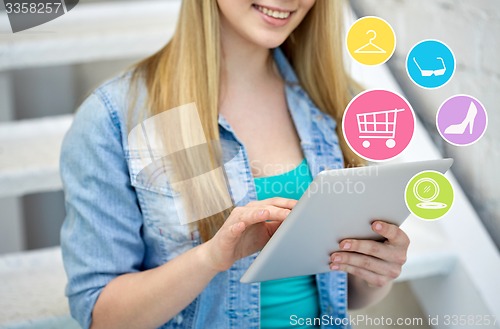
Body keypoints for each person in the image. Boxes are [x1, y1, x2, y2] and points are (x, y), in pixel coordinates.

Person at [60, 1, 410, 328]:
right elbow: (101, 315)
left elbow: (347, 294)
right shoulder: (115, 117)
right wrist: (211, 258)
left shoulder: (338, 100)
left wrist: (374, 272)